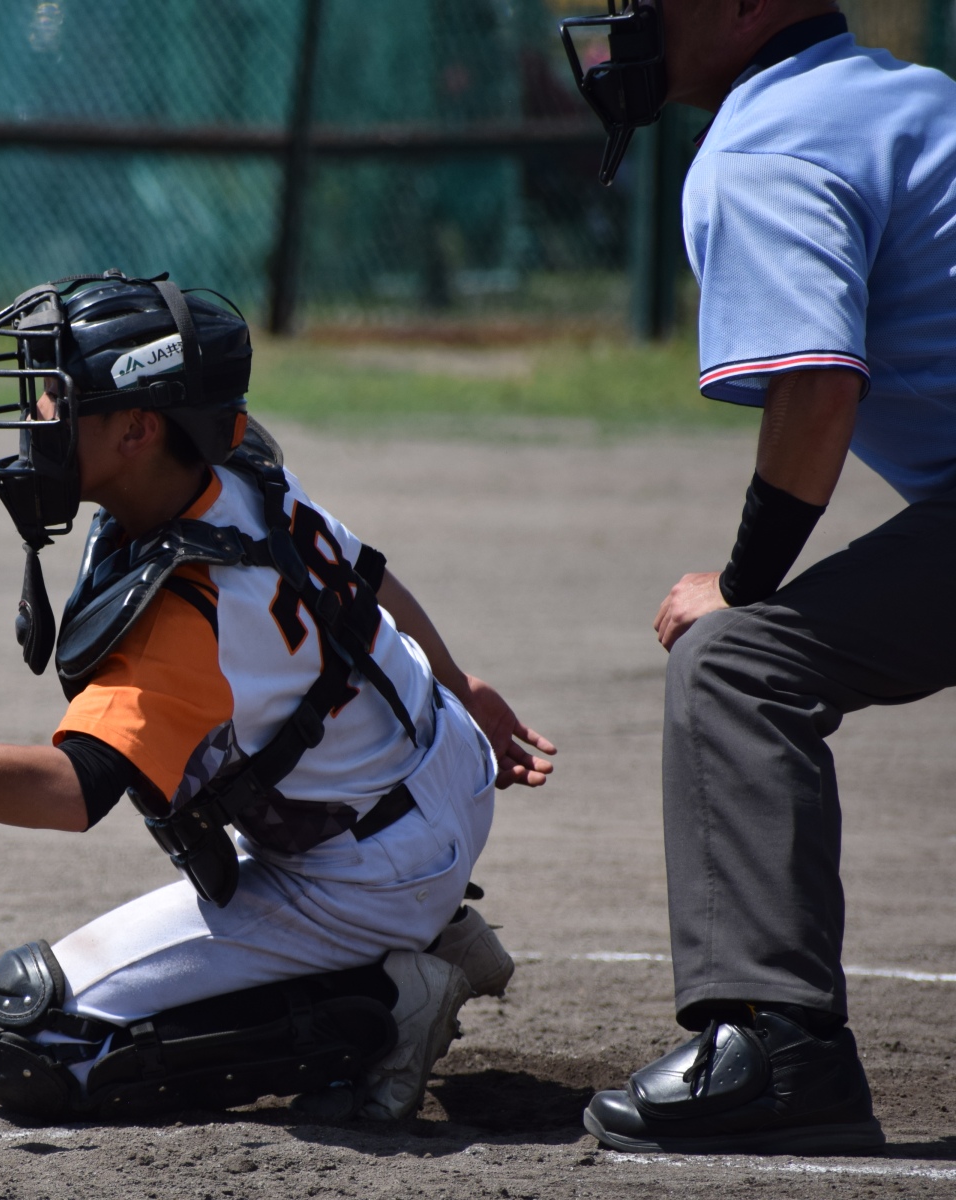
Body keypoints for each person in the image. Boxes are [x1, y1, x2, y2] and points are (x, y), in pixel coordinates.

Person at [0, 271, 555, 1120]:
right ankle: (422, 925)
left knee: (33, 1033)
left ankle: (388, 999)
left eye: (58, 397)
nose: (36, 416)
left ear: (137, 427)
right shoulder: (235, 466)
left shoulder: (190, 611)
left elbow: (70, 793)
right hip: (440, 764)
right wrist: (460, 685)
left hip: (364, 874)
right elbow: (364, 578)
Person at [559, 0, 956, 1156]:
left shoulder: (767, 142)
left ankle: (781, 1055)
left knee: (737, 663)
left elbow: (817, 385)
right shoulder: (911, 99)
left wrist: (741, 583)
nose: (627, 20)